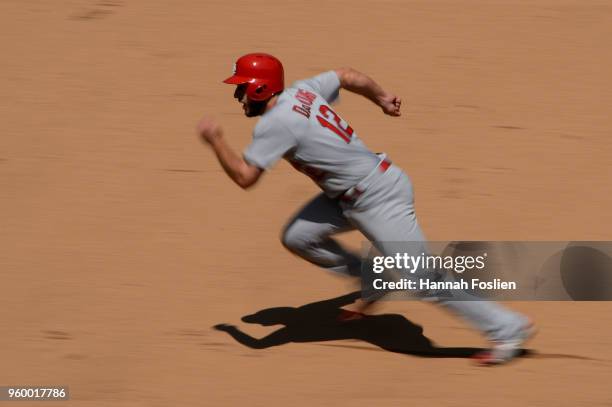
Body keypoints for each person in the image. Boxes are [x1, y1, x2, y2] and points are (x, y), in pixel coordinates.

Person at [198, 53, 535, 365]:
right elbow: (347, 75)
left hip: (379, 197)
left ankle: (508, 329)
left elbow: (245, 177)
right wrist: (382, 98)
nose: (237, 96)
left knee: (422, 279)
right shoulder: (302, 91)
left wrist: (216, 140)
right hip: (347, 197)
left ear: (259, 88)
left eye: (241, 88)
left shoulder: (275, 124)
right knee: (299, 236)